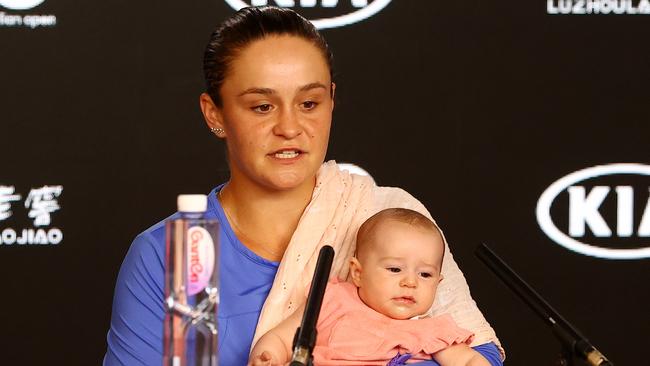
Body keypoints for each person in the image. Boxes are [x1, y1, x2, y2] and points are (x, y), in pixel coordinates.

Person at [103, 6, 504, 366]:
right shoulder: (189, 252)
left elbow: (477, 351)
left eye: (309, 103)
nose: (290, 128)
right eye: (262, 106)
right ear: (215, 114)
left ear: (331, 101)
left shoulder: (381, 217)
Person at [249, 208, 490, 366]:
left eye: (425, 274)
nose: (410, 282)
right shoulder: (332, 300)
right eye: (395, 269)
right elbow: (283, 337)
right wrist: (268, 356)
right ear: (358, 273)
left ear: (438, 283)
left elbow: (469, 361)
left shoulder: (429, 331)